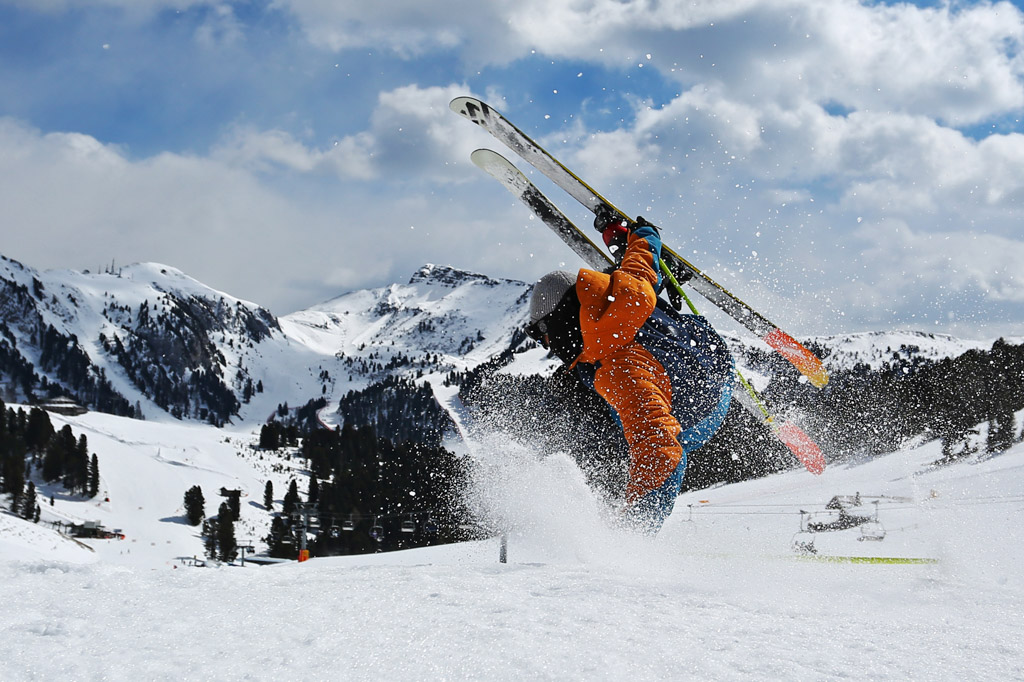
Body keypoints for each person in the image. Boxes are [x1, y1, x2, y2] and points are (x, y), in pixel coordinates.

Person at [526, 218, 734, 532]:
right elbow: (642, 257)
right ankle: (663, 278)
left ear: (558, 325)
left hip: (700, 411)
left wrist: (633, 535)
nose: (545, 343)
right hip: (706, 349)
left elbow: (660, 450)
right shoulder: (626, 285)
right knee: (637, 301)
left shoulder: (620, 370)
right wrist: (639, 235)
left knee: (614, 435)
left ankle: (623, 503)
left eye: (541, 334)